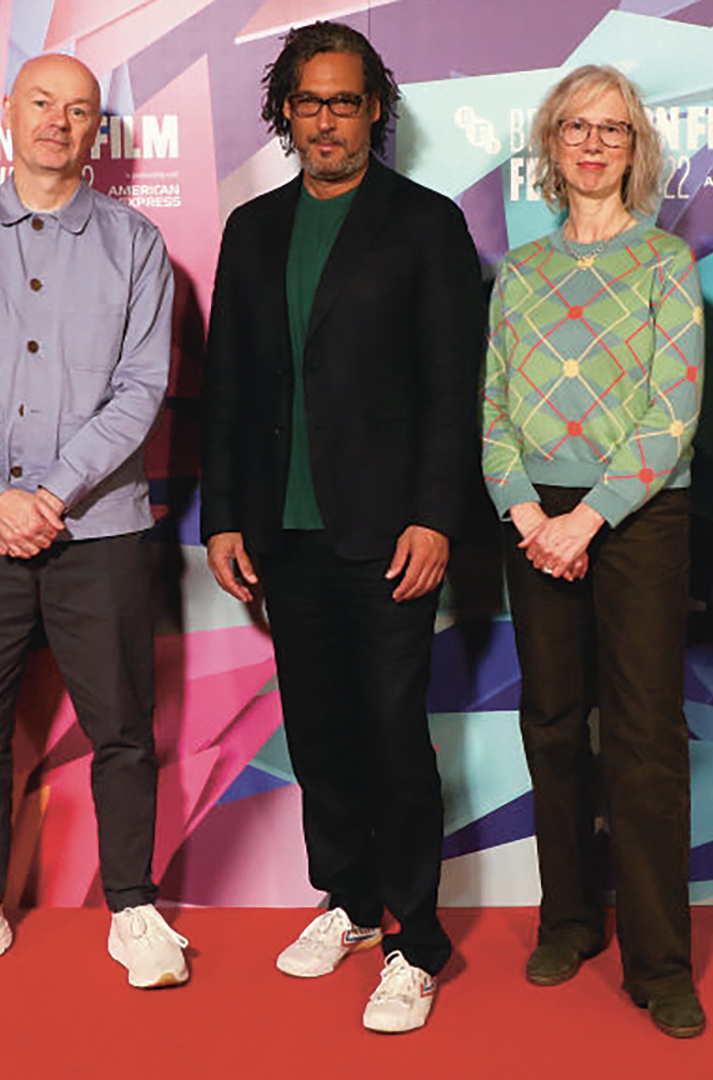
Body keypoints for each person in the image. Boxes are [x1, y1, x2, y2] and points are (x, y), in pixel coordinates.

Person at [200, 20, 485, 1035]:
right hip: (284, 532)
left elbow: (457, 390)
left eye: (346, 101)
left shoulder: (425, 225)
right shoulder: (252, 230)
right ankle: (355, 904)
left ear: (376, 110)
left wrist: (436, 518)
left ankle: (418, 943)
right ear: (286, 112)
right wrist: (223, 514)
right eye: (309, 102)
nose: (327, 120)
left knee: (393, 739)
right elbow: (227, 384)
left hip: (388, 533)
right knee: (319, 735)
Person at [0, 54, 185, 993]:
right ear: (8, 115)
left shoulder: (138, 245)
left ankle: (134, 907)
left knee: (122, 729)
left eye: (79, 111)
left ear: (97, 131)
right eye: (42, 104)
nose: (58, 123)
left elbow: (143, 387)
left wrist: (52, 495)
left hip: (96, 529)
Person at [480, 65, 705, 1039]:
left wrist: (591, 517)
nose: (593, 142)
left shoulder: (667, 265)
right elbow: (489, 412)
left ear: (636, 147)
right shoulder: (520, 274)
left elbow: (674, 413)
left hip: (639, 515)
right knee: (554, 722)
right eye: (576, 125)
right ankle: (566, 918)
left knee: (647, 737)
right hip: (536, 518)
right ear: (551, 142)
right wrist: (531, 515)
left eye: (612, 128)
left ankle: (660, 963)